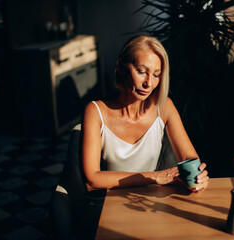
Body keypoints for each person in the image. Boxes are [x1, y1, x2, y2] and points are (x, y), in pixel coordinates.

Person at [82, 35, 209, 193]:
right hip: (112, 204)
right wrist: (155, 177)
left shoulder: (164, 107)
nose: (148, 83)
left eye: (156, 75)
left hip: (150, 202)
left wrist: (198, 176)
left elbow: (189, 159)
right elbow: (92, 179)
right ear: (122, 67)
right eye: (141, 71)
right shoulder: (95, 111)